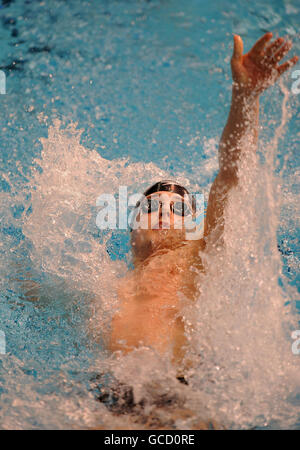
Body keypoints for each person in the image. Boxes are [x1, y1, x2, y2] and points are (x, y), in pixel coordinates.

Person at [107, 32, 298, 382]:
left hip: (177, 396)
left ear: (193, 228)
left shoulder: (195, 257)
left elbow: (230, 176)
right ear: (131, 228)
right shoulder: (102, 282)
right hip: (104, 395)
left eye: (179, 210)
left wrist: (245, 97)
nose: (163, 212)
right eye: (151, 206)